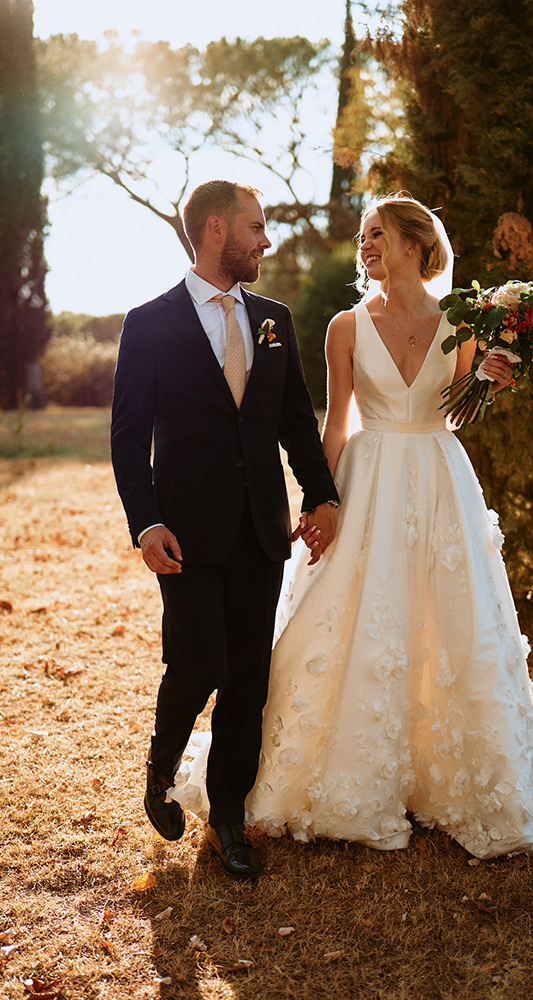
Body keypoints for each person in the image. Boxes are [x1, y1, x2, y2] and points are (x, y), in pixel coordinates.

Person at [172, 192, 533, 860]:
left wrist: (488, 383)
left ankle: (443, 776)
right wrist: (321, 500)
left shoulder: (459, 323)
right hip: (369, 477)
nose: (365, 246)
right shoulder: (344, 326)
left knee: (445, 613)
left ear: (414, 243)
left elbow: (456, 414)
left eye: (378, 234)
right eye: (362, 237)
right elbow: (336, 422)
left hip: (439, 475)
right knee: (353, 611)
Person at [110, 179, 340, 881]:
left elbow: (296, 420)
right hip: (183, 533)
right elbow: (127, 438)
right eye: (256, 227)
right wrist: (146, 522)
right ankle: (158, 771)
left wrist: (321, 496)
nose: (265, 241)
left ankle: (229, 821)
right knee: (198, 663)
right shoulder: (149, 323)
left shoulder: (274, 318)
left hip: (261, 530)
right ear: (215, 230)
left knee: (248, 678)